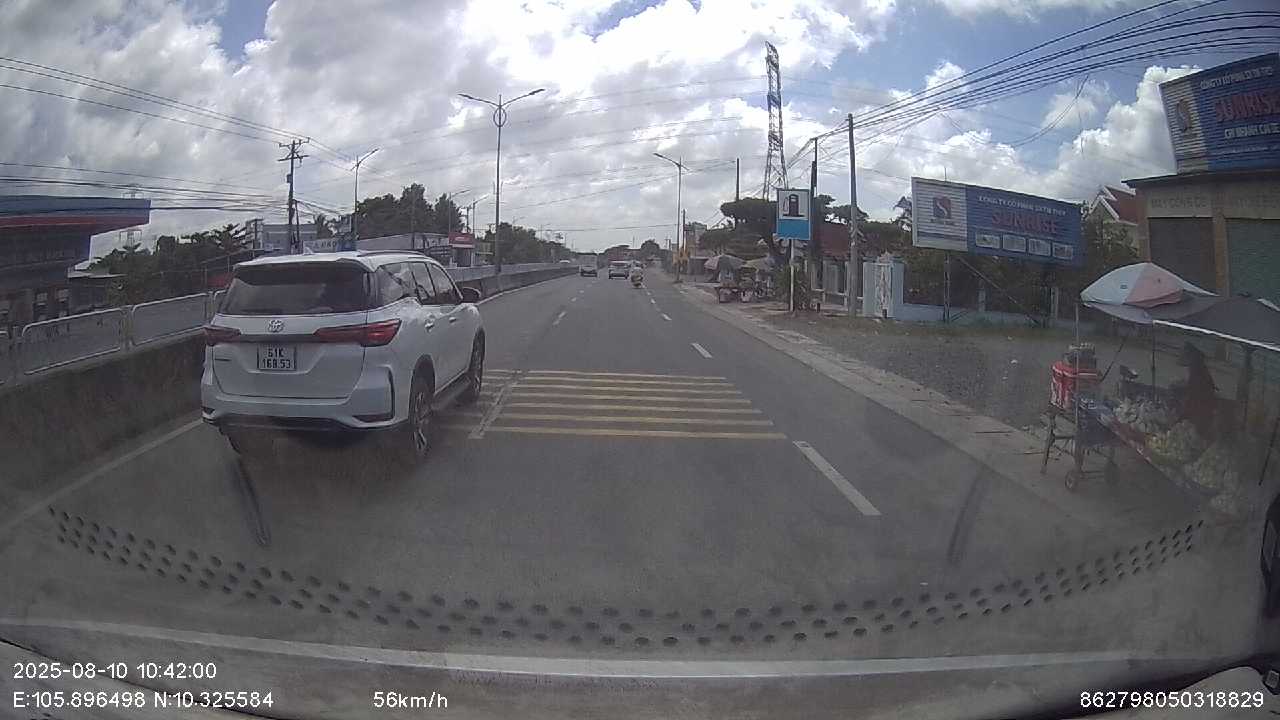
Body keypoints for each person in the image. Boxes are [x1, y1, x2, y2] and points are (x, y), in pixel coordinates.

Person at [1177, 341, 1217, 439]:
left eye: (1185, 353)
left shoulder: (1198, 372)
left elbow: (1195, 396)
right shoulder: (1197, 370)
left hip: (1199, 417)